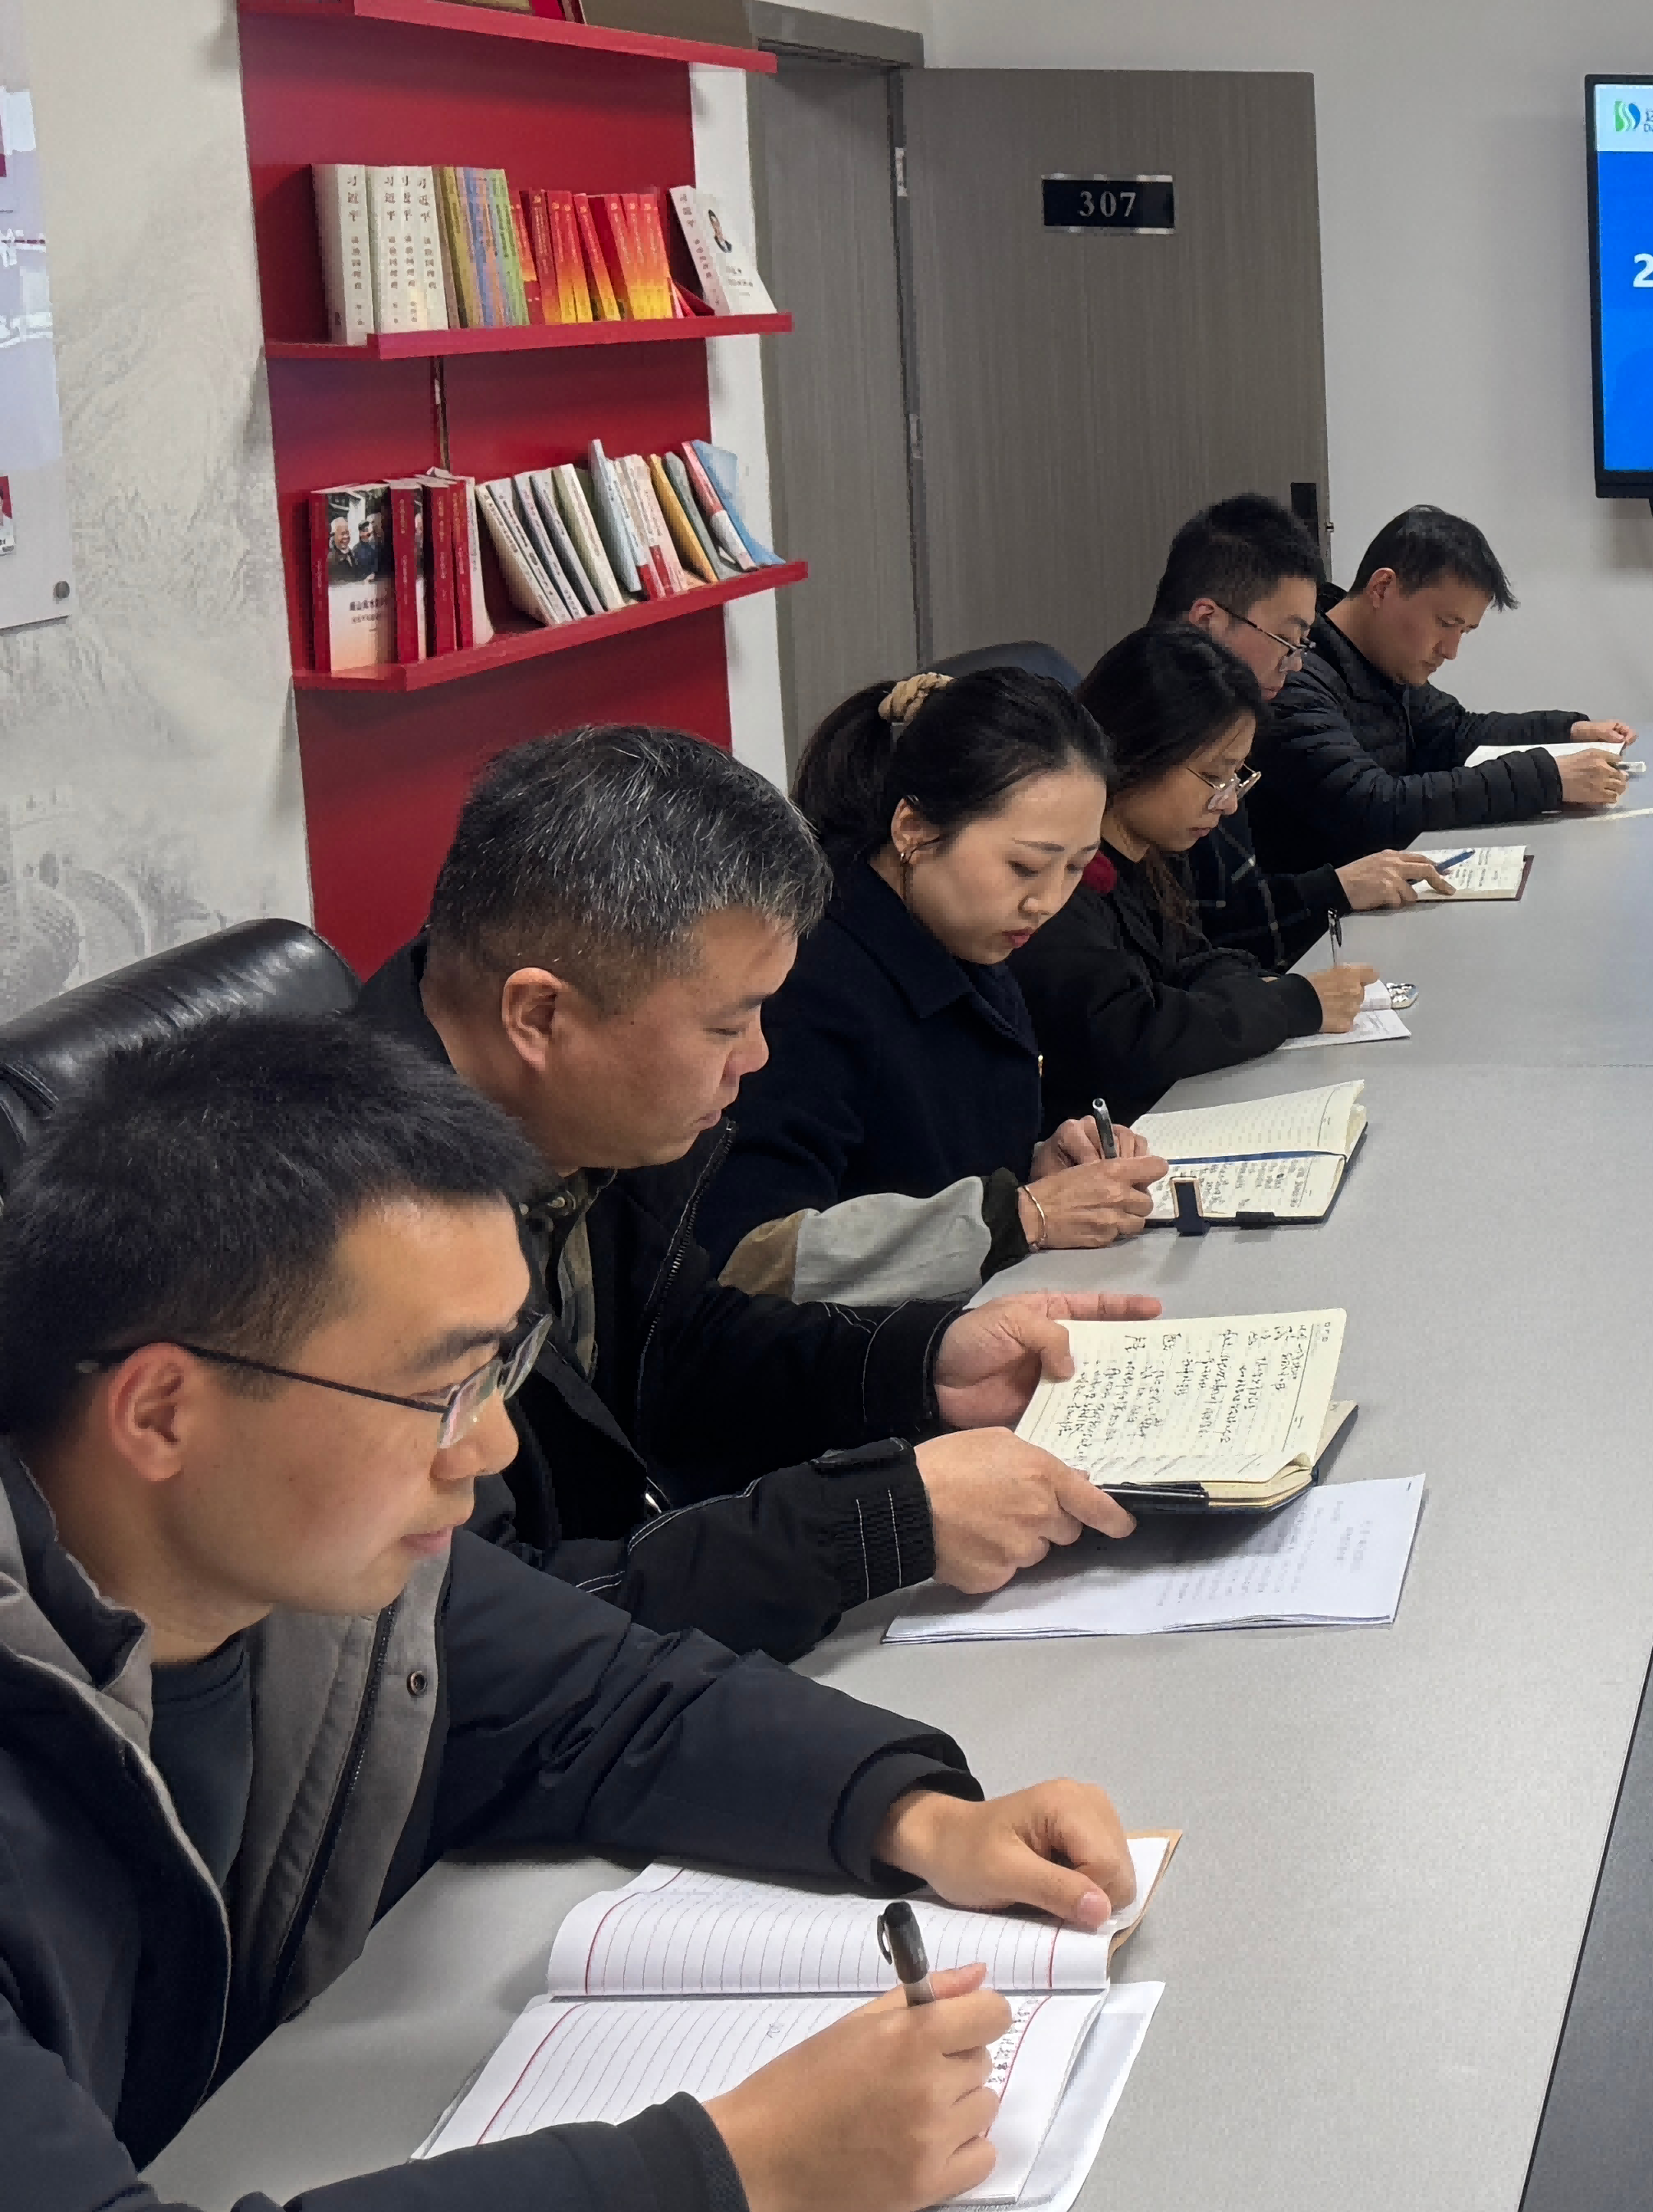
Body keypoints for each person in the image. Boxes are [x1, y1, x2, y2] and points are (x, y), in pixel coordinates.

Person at [0, 1021, 1156, 2212]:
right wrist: (740, 2166)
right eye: (447, 1387)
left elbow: (592, 1693)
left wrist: (912, 1811)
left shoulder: (241, 1504)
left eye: (502, 1359)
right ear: (163, 1411)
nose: (495, 1445)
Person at [358, 724, 1155, 1659]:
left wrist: (922, 1363)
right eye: (727, 1025)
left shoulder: (572, 1115)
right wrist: (874, 1525)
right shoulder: (359, 1249)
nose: (759, 1057)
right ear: (540, 1014)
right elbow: (475, 1636)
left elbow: (682, 1351)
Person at [695, 668, 1172, 1298]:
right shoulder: (810, 981)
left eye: (1076, 868)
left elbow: (926, 1162)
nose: (1048, 901)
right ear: (913, 830)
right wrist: (1019, 1214)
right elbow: (752, 1254)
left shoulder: (963, 936)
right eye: (1024, 866)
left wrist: (1040, 1165)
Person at [1020, 622, 1383, 1123]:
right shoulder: (1059, 882)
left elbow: (1194, 959)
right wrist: (1291, 1004)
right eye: (1213, 776)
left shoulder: (1151, 852)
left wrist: (1253, 994)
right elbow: (1130, 1038)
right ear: (1134, 749)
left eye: (1236, 777)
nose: (1228, 803)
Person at [1241, 504, 1633, 871]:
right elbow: (1372, 807)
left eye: (1464, 631)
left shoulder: (1382, 663)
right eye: (1446, 624)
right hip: (1328, 915)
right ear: (1382, 588)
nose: (1451, 651)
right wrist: (1547, 778)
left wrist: (1569, 730)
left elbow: (1456, 731)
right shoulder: (1290, 678)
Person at [1150, 490, 1453, 963]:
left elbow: (1235, 907)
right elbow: (1202, 941)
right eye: (1286, 640)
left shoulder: (1217, 724)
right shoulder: (1153, 746)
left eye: (1302, 644)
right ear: (1208, 622)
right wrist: (1334, 891)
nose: (1294, 665)